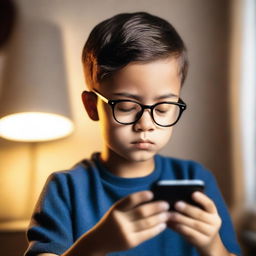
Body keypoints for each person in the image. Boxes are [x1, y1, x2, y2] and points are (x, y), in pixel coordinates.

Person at [24, 12, 241, 256]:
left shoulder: (196, 178)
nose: (146, 124)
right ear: (92, 106)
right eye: (127, 106)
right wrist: (95, 245)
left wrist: (213, 246)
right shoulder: (66, 188)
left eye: (162, 108)